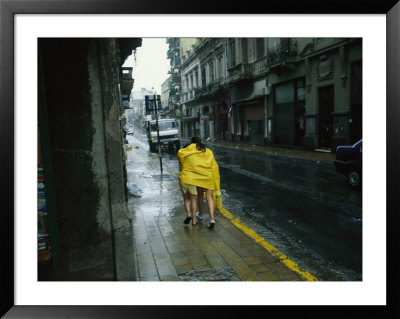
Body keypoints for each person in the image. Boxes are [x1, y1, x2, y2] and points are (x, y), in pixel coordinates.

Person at [177, 136, 220, 229]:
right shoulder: (207, 151)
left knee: (200, 196)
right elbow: (214, 166)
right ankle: (212, 218)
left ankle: (200, 214)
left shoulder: (188, 150)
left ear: (192, 143)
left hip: (198, 177)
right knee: (210, 198)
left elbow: (180, 155)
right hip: (208, 176)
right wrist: (216, 180)